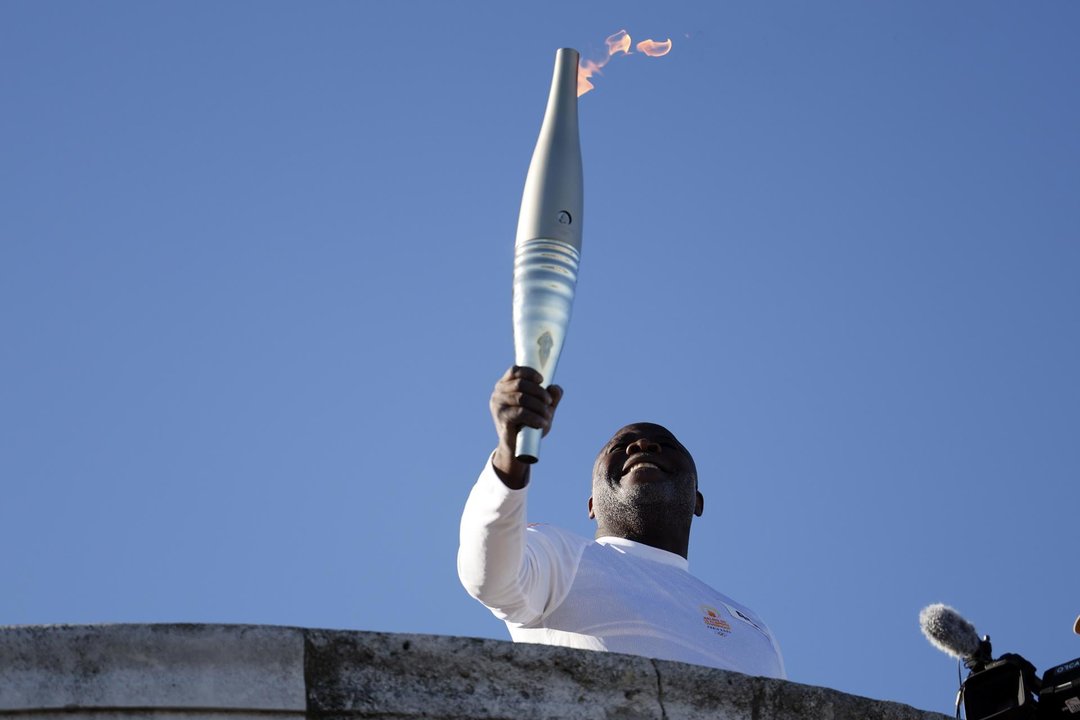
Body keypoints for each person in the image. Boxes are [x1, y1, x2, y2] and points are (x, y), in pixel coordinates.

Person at [457, 366, 786, 678]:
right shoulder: (560, 556)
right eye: (620, 447)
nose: (643, 446)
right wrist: (510, 455)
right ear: (591, 505)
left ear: (697, 501)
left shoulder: (752, 626)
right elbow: (489, 576)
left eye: (666, 446)